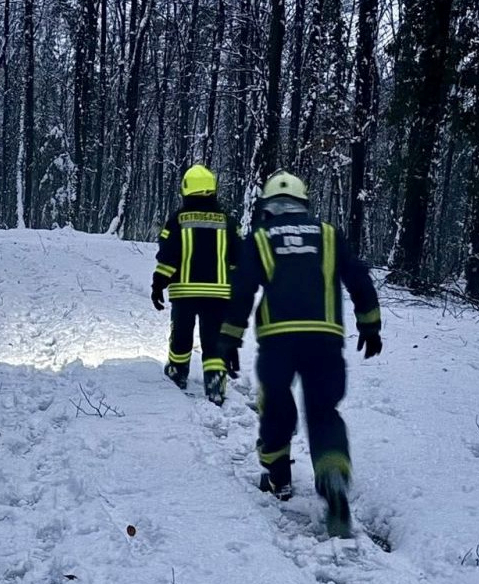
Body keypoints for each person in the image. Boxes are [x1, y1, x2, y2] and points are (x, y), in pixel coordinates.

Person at [216, 170, 382, 538]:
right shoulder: (329, 235)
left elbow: (242, 291)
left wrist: (229, 340)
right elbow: (359, 279)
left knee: (275, 405)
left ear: (267, 207)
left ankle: (278, 476)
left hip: (278, 341)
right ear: (304, 204)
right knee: (323, 412)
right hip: (325, 340)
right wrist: (370, 325)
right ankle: (332, 474)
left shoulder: (261, 237)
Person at [151, 164, 240, 406]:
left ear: (186, 189)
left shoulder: (178, 220)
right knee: (214, 340)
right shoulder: (229, 222)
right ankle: (216, 385)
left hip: (185, 294)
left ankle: (177, 372)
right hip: (219, 295)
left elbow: (168, 257)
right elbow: (239, 259)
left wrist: (158, 285)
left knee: (181, 336)